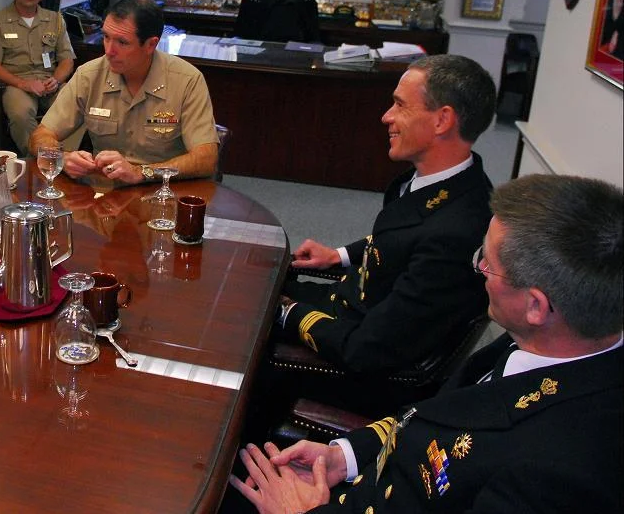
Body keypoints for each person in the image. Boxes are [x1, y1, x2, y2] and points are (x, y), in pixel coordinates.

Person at [229, 174, 623, 513]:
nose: (478, 271)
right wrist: (344, 457)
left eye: (486, 262)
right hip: (362, 477)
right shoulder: (551, 344)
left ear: (536, 305)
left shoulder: (558, 475)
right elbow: (431, 418)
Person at [276, 55, 496, 382]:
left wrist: (286, 312)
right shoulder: (446, 184)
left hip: (353, 361)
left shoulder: (458, 230)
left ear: (442, 120)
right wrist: (339, 255)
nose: (386, 116)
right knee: (255, 276)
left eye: (400, 106)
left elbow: (368, 350)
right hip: (353, 306)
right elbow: (400, 243)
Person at [29, 0, 218, 186]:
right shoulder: (89, 75)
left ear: (151, 44)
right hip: (105, 195)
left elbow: (206, 158)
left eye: (122, 42)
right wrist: (62, 157)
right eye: (106, 37)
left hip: (162, 191)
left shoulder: (187, 80)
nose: (109, 51)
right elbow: (40, 136)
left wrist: (141, 172)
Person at [0, 0, 76, 153]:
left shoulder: (55, 20)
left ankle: (65, 158)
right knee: (21, 114)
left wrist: (56, 80)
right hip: (16, 83)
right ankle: (38, 160)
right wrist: (24, 84)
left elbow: (67, 60)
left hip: (50, 81)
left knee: (75, 107)